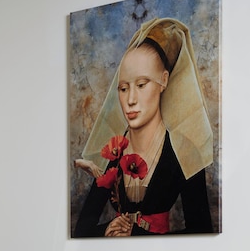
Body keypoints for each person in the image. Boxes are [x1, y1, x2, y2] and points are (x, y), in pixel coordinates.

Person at [73, 17, 214, 236]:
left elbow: (202, 231)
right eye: (123, 88)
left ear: (164, 80)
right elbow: (81, 230)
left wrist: (136, 233)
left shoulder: (185, 151)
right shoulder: (114, 151)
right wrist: (108, 229)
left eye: (141, 85)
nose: (130, 100)